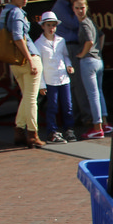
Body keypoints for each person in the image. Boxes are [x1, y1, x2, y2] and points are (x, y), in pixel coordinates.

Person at [2, 0, 45, 148]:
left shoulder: (5, 12)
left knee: (27, 97)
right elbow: (18, 37)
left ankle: (19, 130)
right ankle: (32, 134)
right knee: (32, 99)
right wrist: (29, 59)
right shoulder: (17, 12)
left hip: (14, 61)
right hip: (27, 58)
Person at [32, 11, 76, 143]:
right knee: (52, 106)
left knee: (68, 105)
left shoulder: (61, 40)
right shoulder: (38, 44)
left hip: (63, 78)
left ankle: (69, 129)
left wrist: (69, 65)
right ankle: (52, 131)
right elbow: (39, 65)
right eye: (48, 25)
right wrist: (41, 85)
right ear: (43, 26)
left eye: (53, 25)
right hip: (50, 80)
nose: (51, 28)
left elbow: (65, 56)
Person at [51, 0, 89, 128]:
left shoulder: (67, 5)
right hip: (70, 47)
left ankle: (77, 115)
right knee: (78, 84)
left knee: (75, 84)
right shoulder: (59, 8)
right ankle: (85, 116)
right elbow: (74, 23)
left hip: (72, 46)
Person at [72, 0, 111, 138]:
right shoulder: (91, 21)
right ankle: (104, 123)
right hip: (98, 60)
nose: (79, 11)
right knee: (98, 92)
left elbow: (89, 40)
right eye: (77, 8)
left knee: (92, 94)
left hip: (88, 61)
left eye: (82, 8)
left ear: (86, 7)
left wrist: (82, 54)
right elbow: (101, 36)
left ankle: (97, 127)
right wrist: (98, 50)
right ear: (73, 9)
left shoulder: (84, 23)